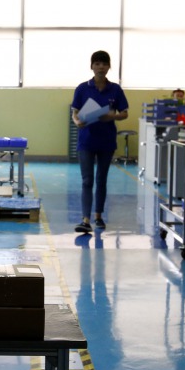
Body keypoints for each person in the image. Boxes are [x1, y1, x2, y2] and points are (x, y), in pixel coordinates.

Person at [71, 50, 129, 234]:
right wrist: (77, 122)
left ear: (109, 67)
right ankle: (85, 220)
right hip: (86, 141)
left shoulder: (115, 89)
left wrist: (112, 116)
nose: (101, 67)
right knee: (87, 180)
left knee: (101, 180)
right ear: (92, 66)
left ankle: (98, 216)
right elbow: (75, 112)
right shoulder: (82, 88)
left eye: (104, 64)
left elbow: (124, 113)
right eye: (97, 64)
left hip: (106, 141)